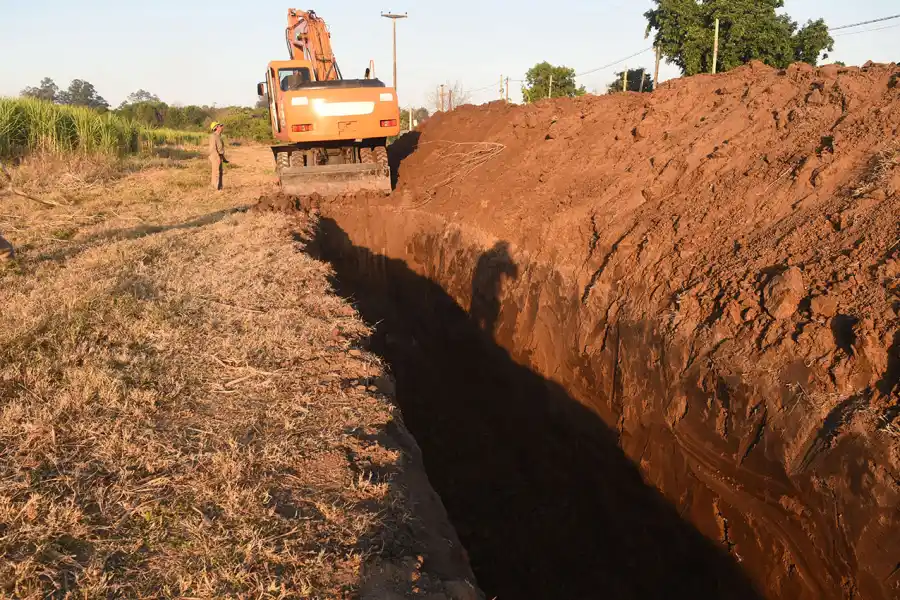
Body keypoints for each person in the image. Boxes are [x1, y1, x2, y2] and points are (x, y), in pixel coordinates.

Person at [208, 121, 227, 190]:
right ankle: (216, 188)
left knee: (220, 173)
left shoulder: (219, 137)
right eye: (220, 126)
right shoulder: (213, 136)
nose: (222, 127)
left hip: (219, 157)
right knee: (216, 173)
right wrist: (217, 158)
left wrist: (223, 158)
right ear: (216, 127)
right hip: (215, 157)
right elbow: (212, 149)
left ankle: (219, 187)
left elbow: (221, 149)